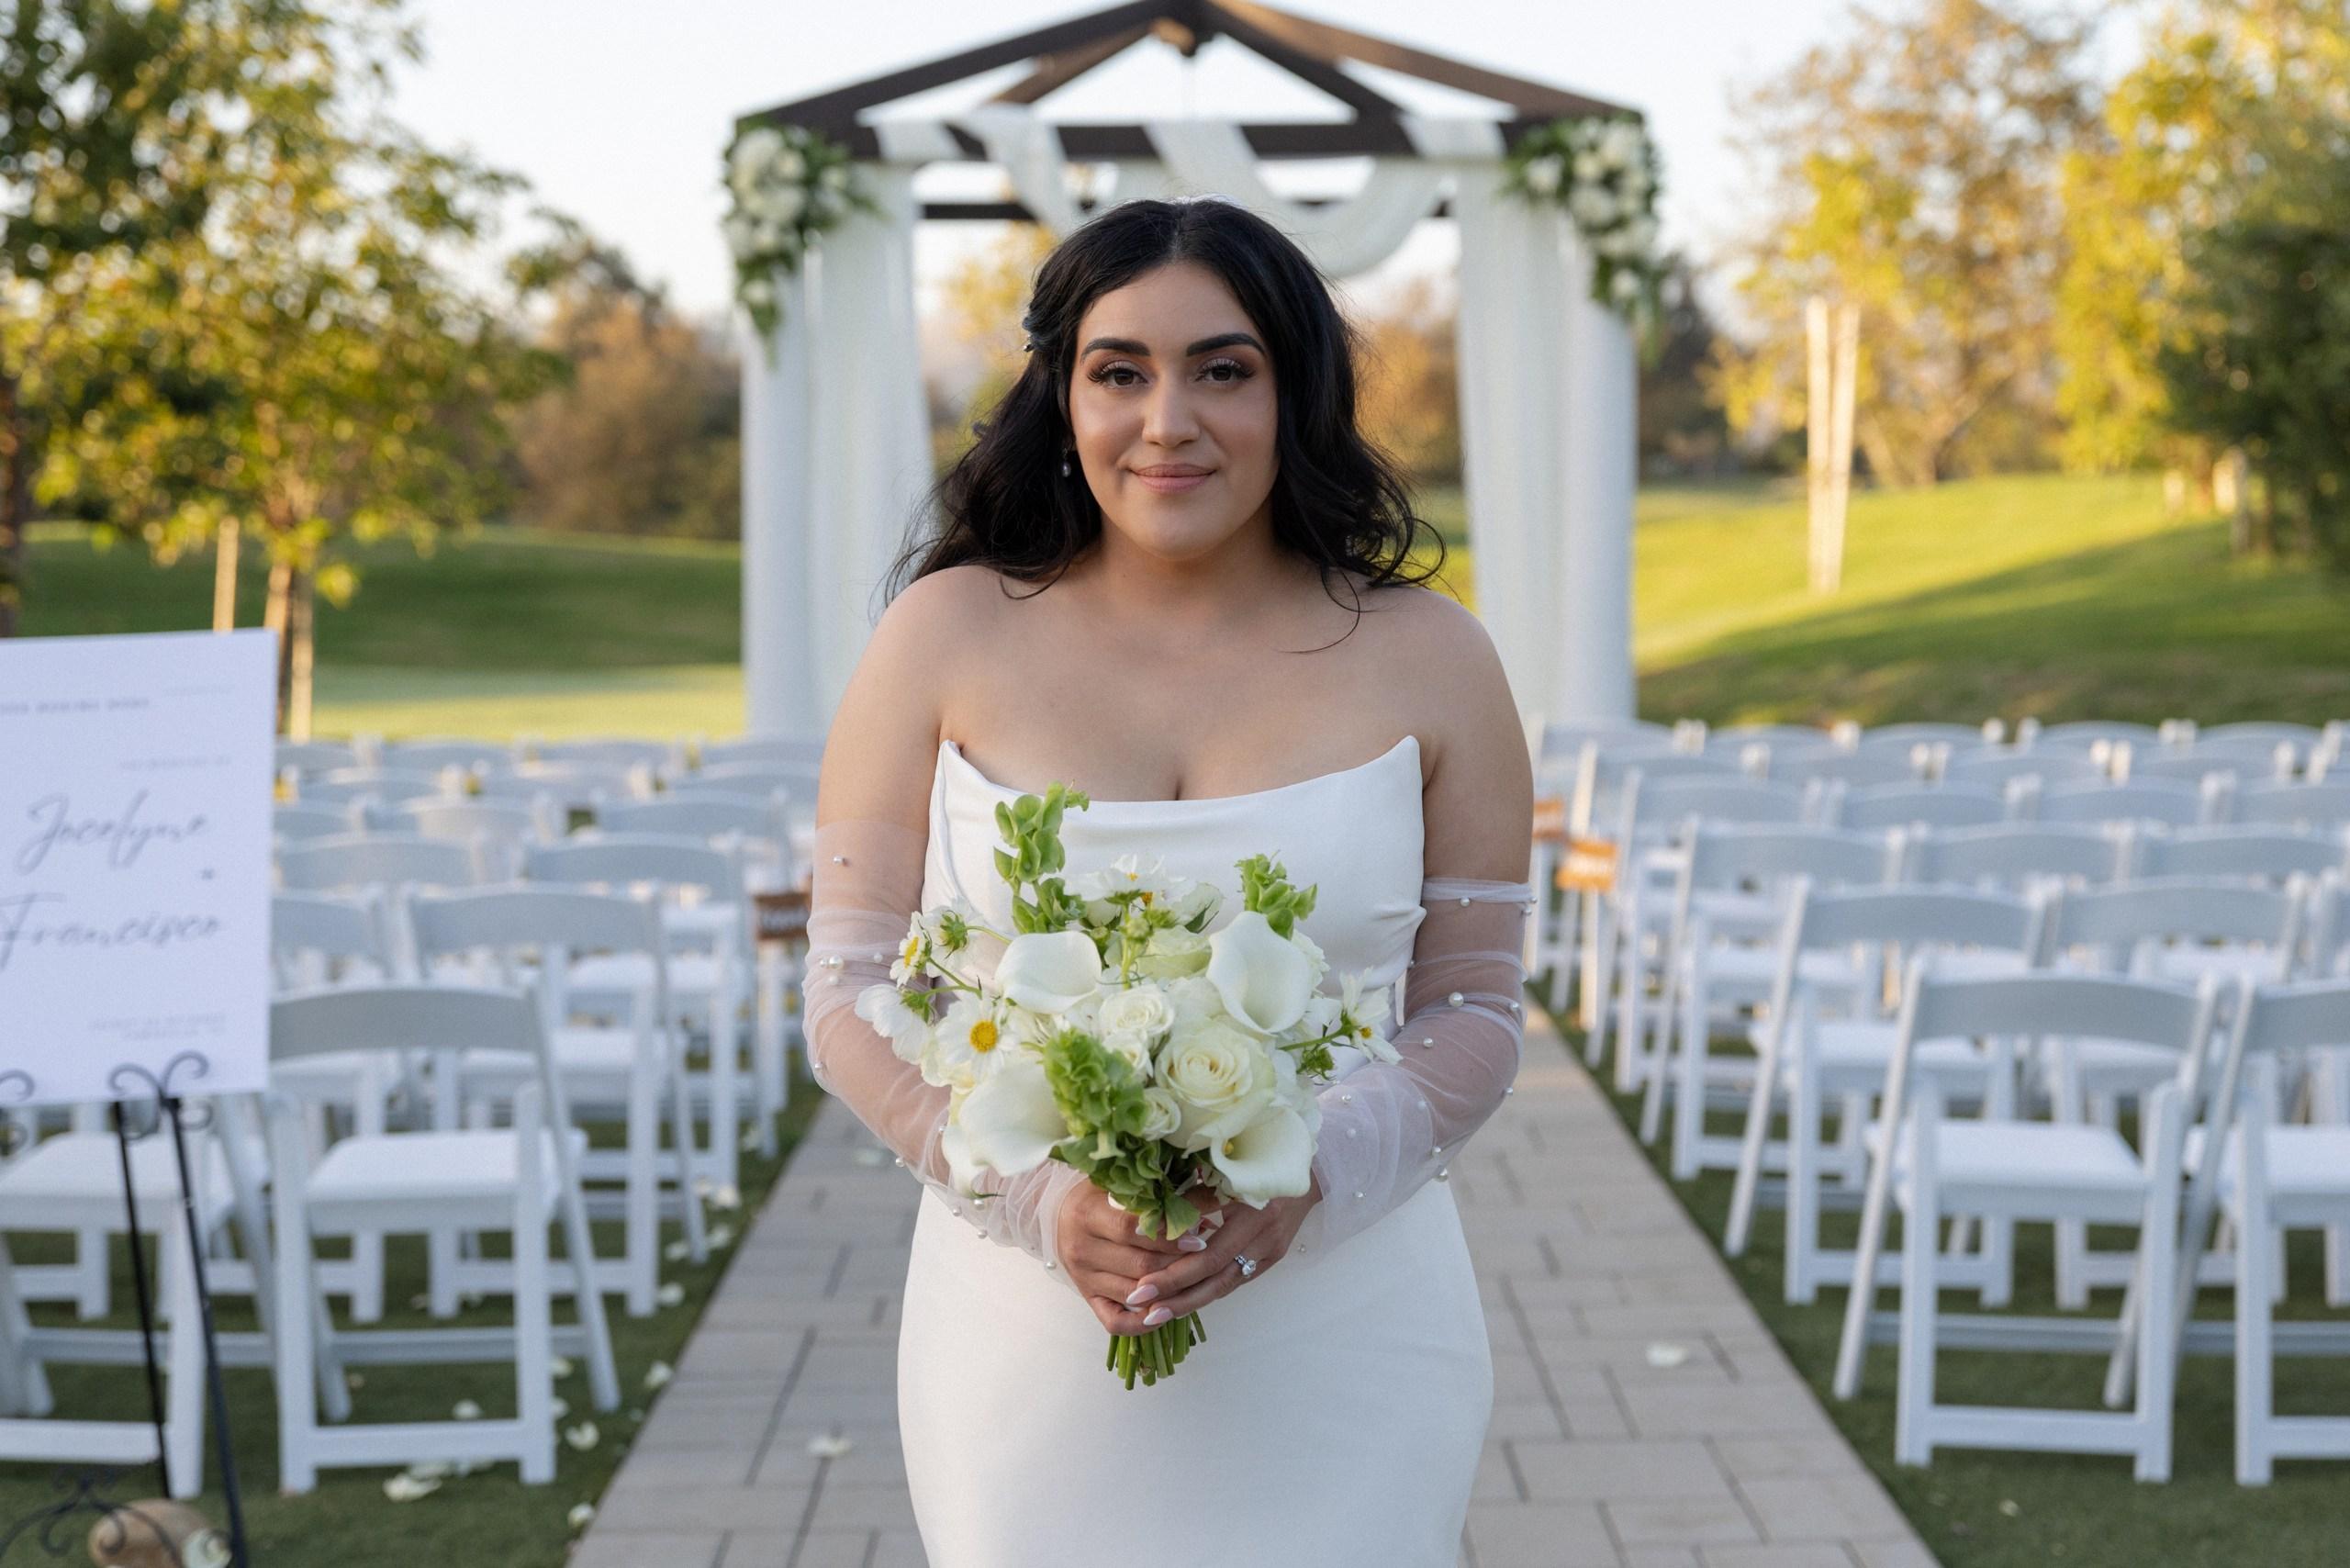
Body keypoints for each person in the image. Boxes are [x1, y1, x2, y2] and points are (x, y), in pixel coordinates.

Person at [804, 196, 1534, 1565]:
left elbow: (1477, 1008)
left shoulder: (1436, 656)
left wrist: (1315, 1172)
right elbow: (845, 990)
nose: (1168, 421)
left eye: (1223, 369)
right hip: (1027, 1342)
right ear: (1062, 396)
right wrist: (1036, 1200)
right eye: (1120, 371)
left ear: (1296, 391)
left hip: (1350, 1322)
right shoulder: (941, 634)